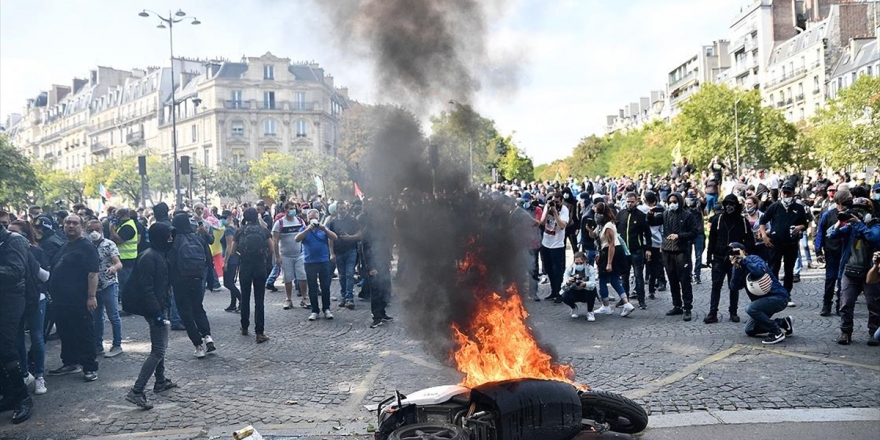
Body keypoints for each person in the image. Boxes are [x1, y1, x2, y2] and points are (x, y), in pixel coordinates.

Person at [122, 222, 178, 410]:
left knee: (161, 345)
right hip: (154, 309)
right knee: (158, 350)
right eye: (168, 236)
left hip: (158, 307)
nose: (171, 239)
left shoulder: (158, 254)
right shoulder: (150, 257)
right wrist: (156, 313)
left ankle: (160, 381)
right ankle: (137, 391)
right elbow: (147, 289)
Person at [47, 214, 100, 382]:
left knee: (84, 332)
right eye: (68, 223)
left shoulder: (86, 247)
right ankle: (71, 362)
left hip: (79, 299)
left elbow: (93, 273)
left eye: (75, 223)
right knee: (66, 332)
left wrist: (91, 297)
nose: (71, 225)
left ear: (81, 226)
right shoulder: (66, 245)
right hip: (62, 301)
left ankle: (90, 367)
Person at [828, 198, 880, 345]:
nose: (858, 212)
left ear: (869, 212)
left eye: (861, 210)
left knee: (874, 304)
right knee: (846, 303)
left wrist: (859, 223)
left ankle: (873, 333)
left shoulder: (875, 225)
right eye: (856, 209)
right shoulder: (851, 227)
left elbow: (873, 237)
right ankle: (846, 332)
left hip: (871, 272)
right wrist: (840, 222)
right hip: (850, 270)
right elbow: (831, 235)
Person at [9, 220, 49, 396]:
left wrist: (30, 259)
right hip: (14, 301)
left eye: (15, 233)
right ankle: (25, 373)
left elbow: (46, 276)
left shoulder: (36, 251)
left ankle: (40, 375)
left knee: (37, 337)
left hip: (35, 299)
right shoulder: (6, 251)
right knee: (17, 339)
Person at [0, 218, 35, 423]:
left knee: (6, 349)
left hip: (11, 299)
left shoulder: (15, 240)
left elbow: (15, 271)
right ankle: (11, 394)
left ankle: (22, 397)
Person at [728, 242, 793, 345]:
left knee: (750, 308)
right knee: (749, 330)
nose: (733, 254)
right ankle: (783, 322)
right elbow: (734, 287)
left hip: (778, 297)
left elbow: (759, 271)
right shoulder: (738, 266)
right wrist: (736, 268)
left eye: (735, 251)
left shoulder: (754, 259)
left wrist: (744, 258)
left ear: (743, 251)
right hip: (762, 303)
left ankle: (776, 332)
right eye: (731, 253)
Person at [169, 212, 215, 358]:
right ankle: (208, 336)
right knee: (198, 308)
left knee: (186, 313)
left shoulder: (175, 241)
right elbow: (208, 260)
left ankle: (198, 345)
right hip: (197, 277)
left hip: (180, 280)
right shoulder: (198, 239)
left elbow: (170, 262)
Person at [226, 208, 274, 343]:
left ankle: (244, 326)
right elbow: (271, 248)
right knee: (259, 300)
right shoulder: (263, 231)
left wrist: (242, 257)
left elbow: (233, 250)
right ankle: (260, 332)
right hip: (259, 267)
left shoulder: (240, 231)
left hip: (245, 267)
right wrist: (263, 256)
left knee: (245, 297)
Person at [705, 195, 755, 324]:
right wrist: (709, 257)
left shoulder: (742, 221)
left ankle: (733, 312)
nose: (728, 206)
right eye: (726, 204)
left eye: (731, 204)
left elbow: (750, 240)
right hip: (719, 257)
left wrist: (743, 251)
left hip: (735, 259)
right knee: (716, 286)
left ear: (736, 205)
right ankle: (713, 312)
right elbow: (712, 240)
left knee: (734, 286)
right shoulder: (718, 220)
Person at [759, 182, 809, 307]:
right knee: (773, 269)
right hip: (775, 243)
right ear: (781, 193)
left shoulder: (799, 208)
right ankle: (775, 293)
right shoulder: (775, 206)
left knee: (789, 270)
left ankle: (786, 294)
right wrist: (764, 236)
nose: (786, 195)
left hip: (791, 243)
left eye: (788, 193)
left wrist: (799, 227)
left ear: (793, 193)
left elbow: (805, 224)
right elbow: (763, 221)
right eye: (784, 192)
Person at [587, 202, 635, 317]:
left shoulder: (608, 226)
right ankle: (626, 304)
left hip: (610, 252)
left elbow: (611, 244)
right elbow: (594, 235)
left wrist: (609, 263)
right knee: (614, 280)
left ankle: (606, 306)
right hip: (607, 251)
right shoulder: (601, 225)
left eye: (597, 212)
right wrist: (589, 229)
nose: (596, 215)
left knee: (603, 279)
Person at [86, 220, 124, 358]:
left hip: (109, 284)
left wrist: (113, 268)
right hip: (94, 288)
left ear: (102, 229)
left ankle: (117, 344)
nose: (94, 233)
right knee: (97, 317)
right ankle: (97, 345)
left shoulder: (109, 244)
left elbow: (119, 263)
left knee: (113, 315)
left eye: (97, 229)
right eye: (90, 230)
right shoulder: (87, 245)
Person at [661, 192, 700, 321]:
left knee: (685, 280)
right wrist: (650, 216)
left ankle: (687, 307)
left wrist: (680, 236)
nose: (672, 204)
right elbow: (654, 222)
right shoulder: (666, 214)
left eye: (674, 201)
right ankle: (677, 305)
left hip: (682, 251)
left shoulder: (687, 215)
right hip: (667, 251)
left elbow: (694, 232)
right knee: (672, 279)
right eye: (670, 202)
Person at [296, 209, 339, 321]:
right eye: (310, 218)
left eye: (315, 217)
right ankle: (315, 310)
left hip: (324, 261)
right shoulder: (304, 229)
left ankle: (326, 308)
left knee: (325, 286)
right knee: (313, 287)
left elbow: (334, 238)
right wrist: (308, 229)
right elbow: (297, 239)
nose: (313, 220)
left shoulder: (323, 229)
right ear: (307, 219)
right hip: (309, 262)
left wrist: (324, 228)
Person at [815, 189, 852, 316]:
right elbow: (820, 232)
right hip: (831, 251)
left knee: (843, 279)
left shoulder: (852, 215)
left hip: (847, 251)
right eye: (849, 198)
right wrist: (818, 251)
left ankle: (840, 305)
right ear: (842, 200)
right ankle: (827, 304)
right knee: (830, 278)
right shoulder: (828, 215)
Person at [617, 192, 652, 310]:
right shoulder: (621, 214)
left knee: (638, 276)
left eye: (632, 202)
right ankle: (624, 299)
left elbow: (647, 234)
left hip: (637, 250)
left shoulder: (641, 215)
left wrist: (648, 249)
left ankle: (641, 300)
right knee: (624, 276)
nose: (629, 204)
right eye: (628, 202)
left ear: (636, 202)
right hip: (623, 251)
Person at [326, 201, 362, 309]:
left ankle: (349, 298)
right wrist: (332, 253)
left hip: (351, 250)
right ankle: (343, 296)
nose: (342, 210)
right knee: (342, 276)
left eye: (344, 208)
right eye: (340, 208)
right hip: (338, 252)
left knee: (350, 274)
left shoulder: (353, 220)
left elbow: (360, 233)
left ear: (347, 209)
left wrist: (350, 237)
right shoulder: (332, 222)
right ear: (336, 210)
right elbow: (330, 238)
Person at [539, 193, 569, 301]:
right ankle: (553, 291)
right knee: (548, 269)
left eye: (557, 202)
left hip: (557, 245)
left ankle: (558, 292)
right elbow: (542, 223)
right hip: (546, 243)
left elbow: (561, 226)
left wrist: (555, 212)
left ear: (561, 201)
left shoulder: (564, 210)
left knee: (557, 270)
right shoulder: (547, 207)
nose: (555, 204)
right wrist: (547, 209)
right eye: (553, 201)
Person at [561, 252, 599, 321]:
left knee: (593, 290)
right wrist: (568, 282)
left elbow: (593, 283)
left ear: (585, 261)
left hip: (586, 291)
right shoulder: (569, 269)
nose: (579, 265)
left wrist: (585, 284)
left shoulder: (590, 268)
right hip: (574, 291)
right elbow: (563, 286)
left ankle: (590, 312)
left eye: (581, 263)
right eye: (576, 263)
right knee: (563, 295)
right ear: (574, 262)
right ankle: (574, 308)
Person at [643, 191, 666, 297]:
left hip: (655, 242)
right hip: (644, 241)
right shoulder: (641, 210)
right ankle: (641, 289)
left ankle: (652, 289)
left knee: (654, 267)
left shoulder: (660, 212)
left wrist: (662, 243)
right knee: (641, 267)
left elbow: (661, 227)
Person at [219, 211, 242, 313]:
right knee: (231, 282)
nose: (222, 219)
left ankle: (241, 300)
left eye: (224, 217)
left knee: (227, 283)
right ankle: (233, 304)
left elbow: (229, 246)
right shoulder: (234, 228)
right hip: (234, 259)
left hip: (231, 259)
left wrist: (225, 262)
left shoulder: (229, 230)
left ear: (229, 217)